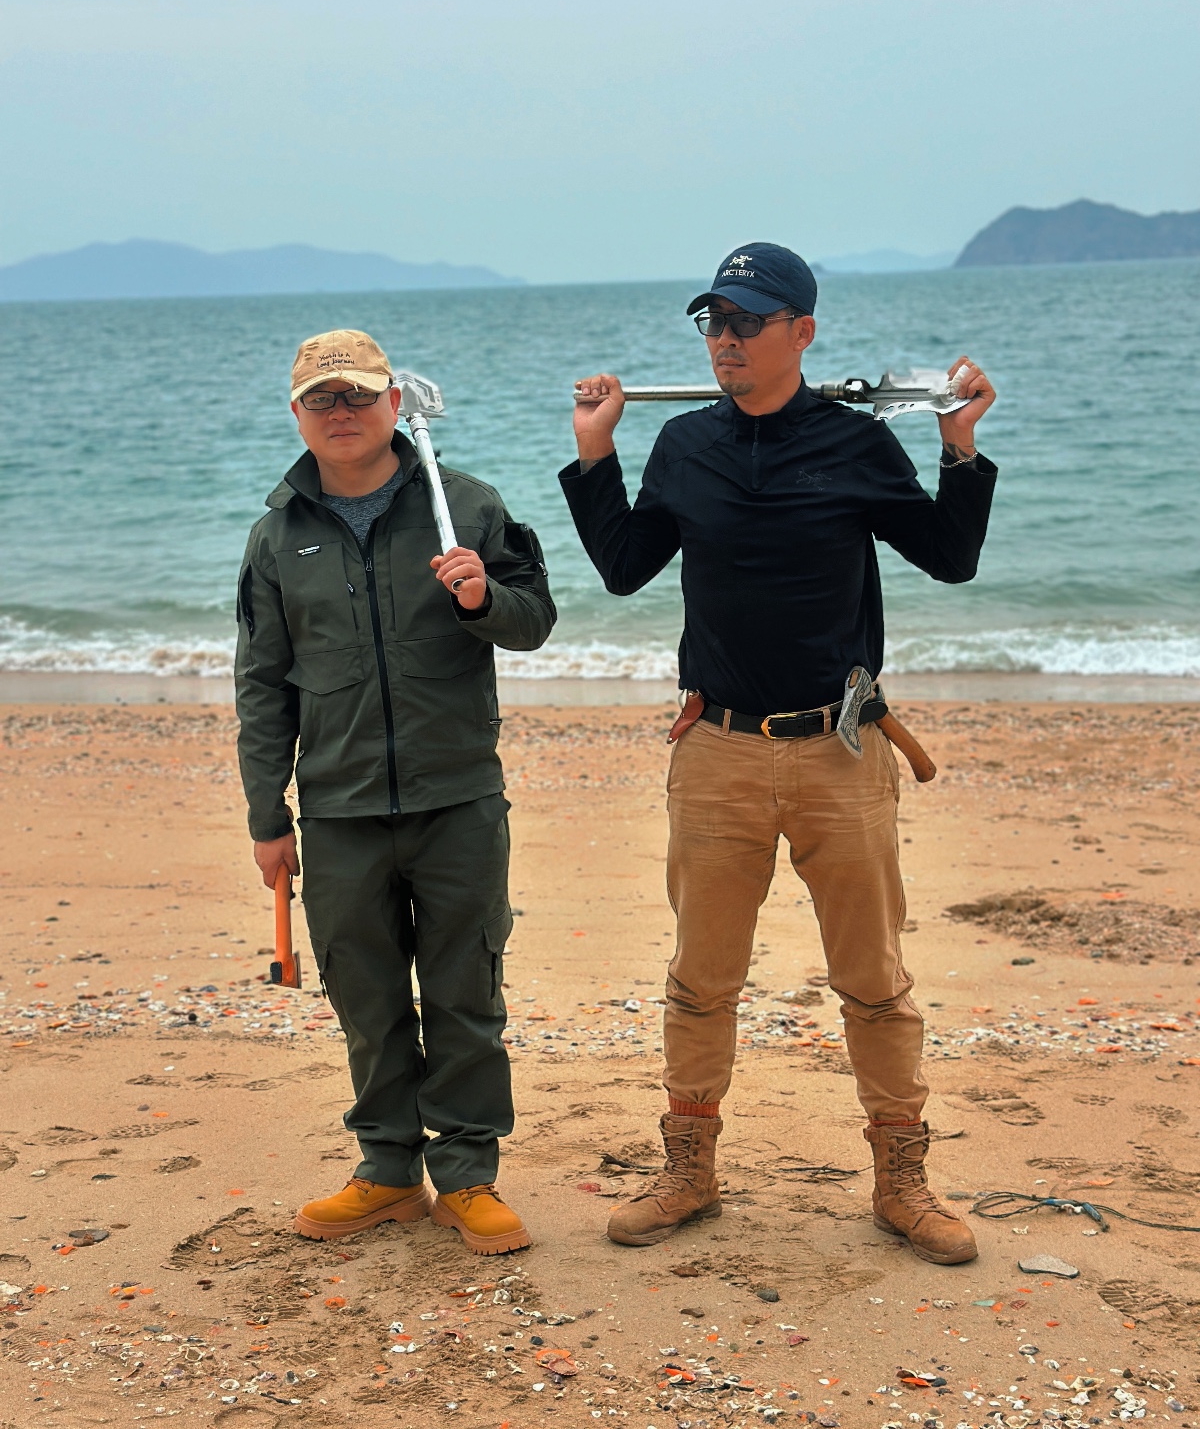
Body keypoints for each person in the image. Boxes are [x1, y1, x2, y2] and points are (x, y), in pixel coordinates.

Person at [560, 244, 997, 1264]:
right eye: (713, 322)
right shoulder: (684, 446)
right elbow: (624, 568)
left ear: (802, 332)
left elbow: (951, 557)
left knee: (874, 978)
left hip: (842, 750)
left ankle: (901, 1180)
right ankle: (689, 1169)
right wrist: (595, 453)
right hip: (717, 750)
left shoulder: (854, 444)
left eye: (747, 323)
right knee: (699, 978)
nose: (725, 340)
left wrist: (959, 446)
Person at [236, 329, 555, 1255]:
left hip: (458, 799)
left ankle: (467, 1176)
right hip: (338, 811)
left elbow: (534, 622)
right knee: (366, 999)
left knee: (465, 992)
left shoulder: (468, 507)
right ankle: (385, 1170)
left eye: (357, 395)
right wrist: (268, 816)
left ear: (394, 405)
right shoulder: (276, 536)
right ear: (298, 414)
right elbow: (262, 684)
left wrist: (481, 598)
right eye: (321, 399)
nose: (340, 413)